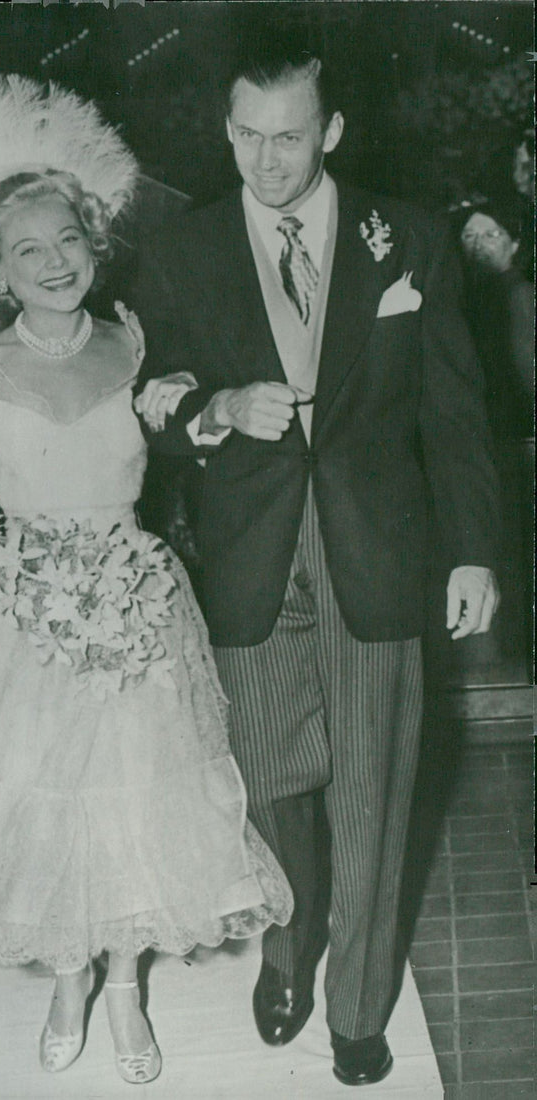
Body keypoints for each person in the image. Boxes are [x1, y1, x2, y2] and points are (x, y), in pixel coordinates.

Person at [0, 74, 293, 1086]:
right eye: (29, 251)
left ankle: (123, 981)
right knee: (49, 808)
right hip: (27, 617)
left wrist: (196, 409)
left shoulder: (130, 341)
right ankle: (68, 974)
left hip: (141, 610)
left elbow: (168, 433)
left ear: (91, 241)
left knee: (134, 804)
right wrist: (16, 576)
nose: (55, 263)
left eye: (68, 241)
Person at [132, 47, 501, 1087]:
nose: (264, 158)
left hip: (376, 550)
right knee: (266, 781)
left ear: (329, 131)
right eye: (244, 133)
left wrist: (472, 550)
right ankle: (287, 954)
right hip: (246, 557)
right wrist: (210, 410)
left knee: (374, 789)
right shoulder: (179, 247)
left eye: (287, 134)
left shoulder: (409, 237)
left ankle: (355, 1006)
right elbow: (148, 403)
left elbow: (455, 414)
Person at [458, 195, 534, 437]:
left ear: (515, 244)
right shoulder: (471, 297)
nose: (478, 244)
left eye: (491, 235)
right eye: (469, 235)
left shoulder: (520, 296)